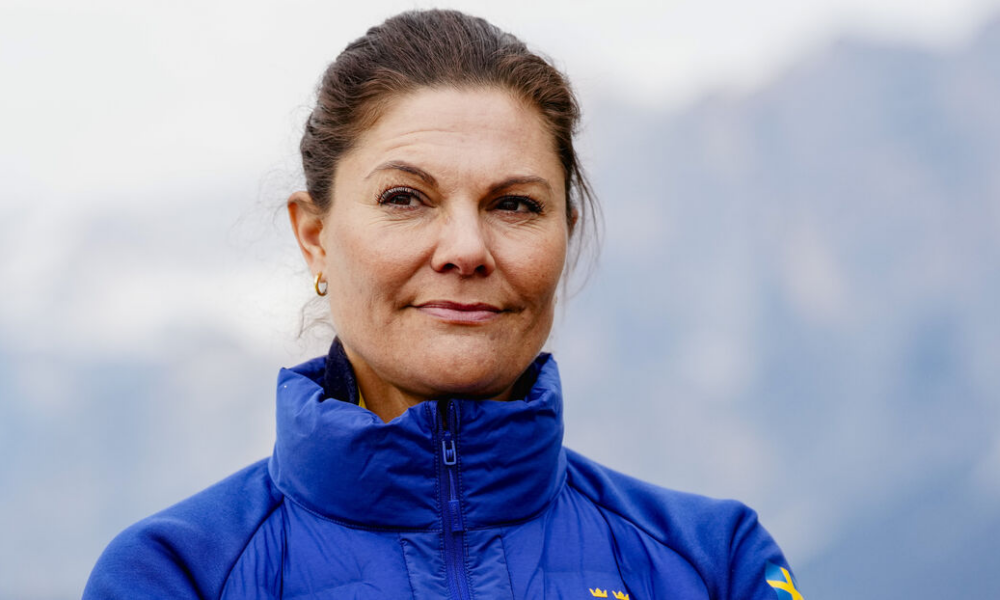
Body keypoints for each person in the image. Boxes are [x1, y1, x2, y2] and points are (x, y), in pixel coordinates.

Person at [84, 9, 801, 600]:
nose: (466, 248)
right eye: (405, 198)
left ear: (566, 234)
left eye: (515, 204)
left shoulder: (714, 564)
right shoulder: (176, 575)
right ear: (315, 237)